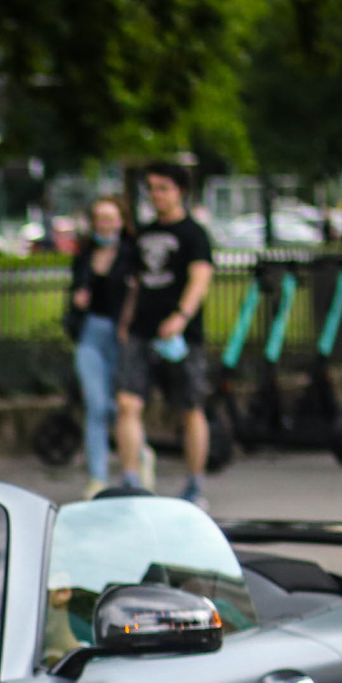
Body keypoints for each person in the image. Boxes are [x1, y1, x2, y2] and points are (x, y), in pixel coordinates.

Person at [112, 161, 214, 508]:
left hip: (180, 336)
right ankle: (130, 479)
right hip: (142, 329)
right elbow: (137, 282)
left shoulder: (194, 234)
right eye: (152, 188)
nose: (156, 196)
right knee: (128, 402)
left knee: (189, 408)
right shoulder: (144, 232)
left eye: (163, 188)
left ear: (180, 191)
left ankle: (195, 483)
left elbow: (200, 278)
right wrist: (126, 319)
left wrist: (182, 316)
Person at [67, 195, 134, 496]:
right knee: (95, 405)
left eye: (110, 218)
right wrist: (77, 302)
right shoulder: (85, 255)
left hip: (120, 335)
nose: (104, 225)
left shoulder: (132, 255)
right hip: (90, 333)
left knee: (120, 406)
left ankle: (139, 453)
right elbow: (75, 290)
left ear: (121, 221)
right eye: (99, 219)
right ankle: (98, 477)